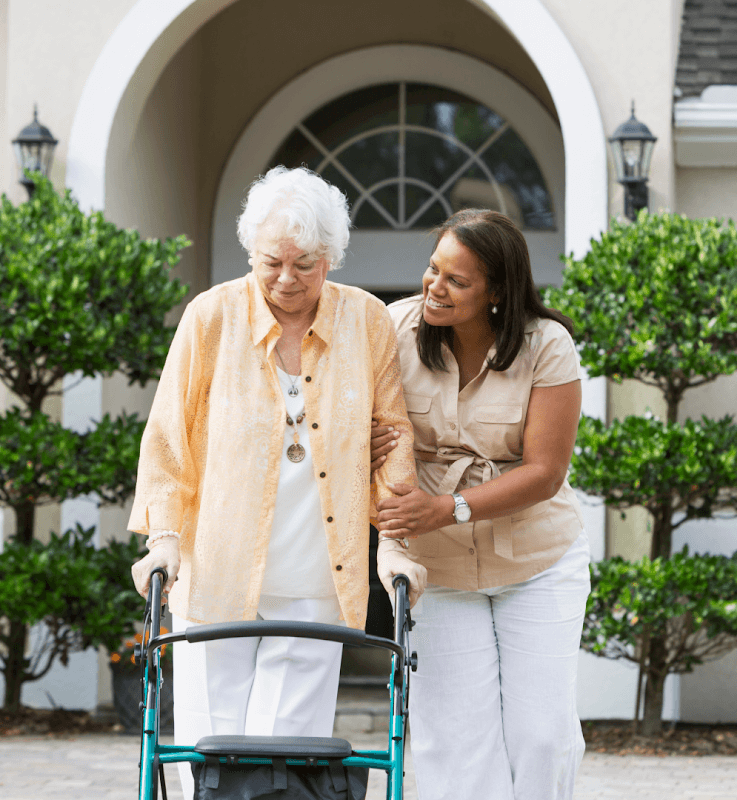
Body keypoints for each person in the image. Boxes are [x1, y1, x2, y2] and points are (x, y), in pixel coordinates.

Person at [129, 166, 425, 800]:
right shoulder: (210, 318)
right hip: (217, 575)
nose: (287, 280)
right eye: (272, 263)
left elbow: (392, 436)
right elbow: (168, 438)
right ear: (250, 252)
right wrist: (163, 537)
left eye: (306, 264)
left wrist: (395, 540)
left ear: (332, 259)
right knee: (211, 758)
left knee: (285, 767)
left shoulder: (366, 321)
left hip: (319, 582)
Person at [373, 209, 590, 800]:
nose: (434, 287)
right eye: (433, 269)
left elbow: (545, 473)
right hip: (435, 567)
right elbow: (354, 420)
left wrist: (447, 508)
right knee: (454, 739)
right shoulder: (392, 330)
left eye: (456, 280)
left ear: (497, 291)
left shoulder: (548, 346)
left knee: (541, 736)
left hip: (537, 561)